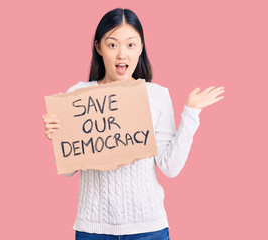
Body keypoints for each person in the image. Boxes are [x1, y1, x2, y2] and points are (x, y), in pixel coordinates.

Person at [42, 8, 225, 240]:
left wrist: (191, 114)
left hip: (149, 228)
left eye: (130, 44)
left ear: (140, 47)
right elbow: (68, 171)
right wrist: (58, 137)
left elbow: (170, 167)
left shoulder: (156, 96)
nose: (122, 54)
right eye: (112, 45)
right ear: (99, 47)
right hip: (93, 229)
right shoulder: (78, 96)